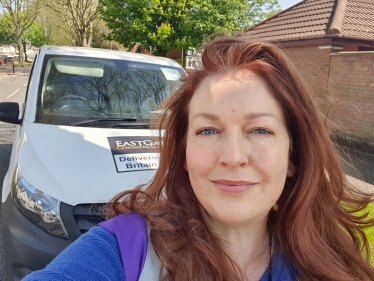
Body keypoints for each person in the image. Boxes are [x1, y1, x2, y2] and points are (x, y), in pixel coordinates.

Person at [23, 35, 374, 281]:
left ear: (293, 156)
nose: (233, 157)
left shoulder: (331, 261)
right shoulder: (124, 251)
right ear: (185, 152)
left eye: (260, 130)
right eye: (208, 131)